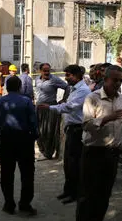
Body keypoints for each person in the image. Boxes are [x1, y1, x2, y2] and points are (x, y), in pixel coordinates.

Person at [73, 65, 122, 221]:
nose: (117, 83)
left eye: (120, 80)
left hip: (112, 154)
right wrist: (107, 118)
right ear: (105, 79)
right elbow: (86, 125)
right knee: (86, 195)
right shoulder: (93, 98)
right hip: (93, 153)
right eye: (114, 80)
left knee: (104, 195)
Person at [38, 64, 91, 204]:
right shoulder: (75, 89)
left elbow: (69, 107)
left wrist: (50, 107)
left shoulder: (83, 90)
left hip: (78, 130)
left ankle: (75, 193)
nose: (66, 78)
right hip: (71, 129)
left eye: (69, 75)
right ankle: (68, 191)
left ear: (77, 76)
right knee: (68, 163)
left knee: (74, 163)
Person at [0, 76, 38, 216]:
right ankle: (25, 204)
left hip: (6, 141)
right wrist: (33, 137)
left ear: (6, 87)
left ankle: (9, 203)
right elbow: (33, 122)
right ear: (20, 87)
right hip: (24, 141)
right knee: (27, 174)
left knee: (6, 173)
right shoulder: (27, 102)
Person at [35, 63, 68, 159]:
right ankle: (42, 150)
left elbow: (67, 87)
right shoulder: (37, 79)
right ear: (40, 71)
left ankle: (48, 153)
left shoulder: (54, 79)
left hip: (50, 108)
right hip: (39, 108)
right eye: (44, 70)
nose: (46, 72)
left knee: (49, 131)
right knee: (38, 130)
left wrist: (63, 100)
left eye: (48, 70)